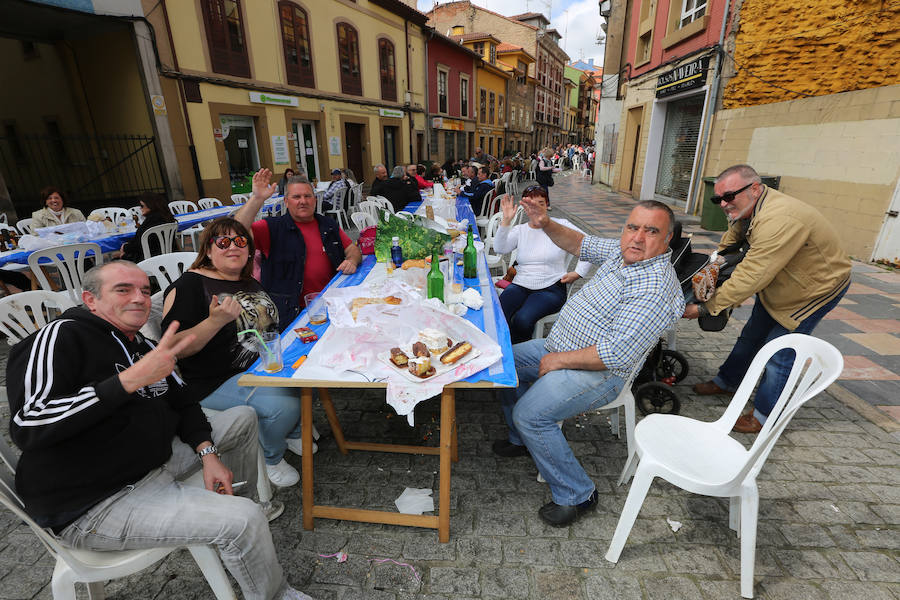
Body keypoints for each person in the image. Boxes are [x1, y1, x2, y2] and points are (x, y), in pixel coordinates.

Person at [5, 260, 315, 600]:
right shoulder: (60, 336)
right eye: (123, 289)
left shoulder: (143, 344)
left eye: (145, 290)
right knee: (243, 519)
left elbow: (184, 404)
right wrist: (130, 380)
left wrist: (208, 454)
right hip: (93, 502)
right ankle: (269, 584)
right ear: (90, 300)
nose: (139, 298)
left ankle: (235, 515)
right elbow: (29, 423)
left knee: (241, 417)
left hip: (151, 461)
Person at [494, 198, 684, 527]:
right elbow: (581, 242)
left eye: (651, 231)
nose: (637, 237)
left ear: (667, 240)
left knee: (532, 415)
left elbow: (615, 353)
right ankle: (521, 440)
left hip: (600, 373)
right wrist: (545, 222)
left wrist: (557, 361)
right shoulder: (623, 253)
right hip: (559, 347)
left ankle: (577, 494)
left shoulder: (653, 286)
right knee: (502, 367)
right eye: (632, 227)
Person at [684, 164, 851, 433]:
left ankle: (763, 417)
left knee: (779, 351)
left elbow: (752, 275)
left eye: (729, 196)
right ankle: (727, 382)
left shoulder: (779, 219)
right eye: (718, 199)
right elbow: (734, 238)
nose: (724, 204)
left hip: (815, 289)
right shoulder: (751, 206)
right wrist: (715, 264)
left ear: (754, 188)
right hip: (781, 282)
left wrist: (706, 308)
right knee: (751, 336)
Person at [161, 218, 308, 487]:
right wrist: (213, 321)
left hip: (260, 365)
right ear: (207, 249)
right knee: (284, 405)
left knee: (310, 372)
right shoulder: (190, 285)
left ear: (249, 250)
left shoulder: (247, 280)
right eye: (223, 241)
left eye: (241, 241)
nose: (233, 247)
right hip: (213, 380)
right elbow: (170, 348)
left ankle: (290, 430)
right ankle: (270, 456)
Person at [234, 169, 362, 330]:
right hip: (291, 314)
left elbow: (353, 249)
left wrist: (351, 260)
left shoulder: (327, 225)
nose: (303, 201)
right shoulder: (272, 228)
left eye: (307, 196)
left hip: (331, 305)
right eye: (296, 197)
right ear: (286, 202)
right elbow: (236, 231)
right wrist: (257, 198)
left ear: (315, 200)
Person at [494, 186, 592, 343]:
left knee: (522, 319)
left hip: (551, 287)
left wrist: (578, 272)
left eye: (540, 203)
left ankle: (517, 356)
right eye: (531, 204)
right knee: (498, 313)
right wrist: (506, 222)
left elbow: (590, 245)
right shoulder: (521, 230)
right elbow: (499, 248)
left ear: (547, 205)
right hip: (521, 283)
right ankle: (501, 347)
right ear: (525, 208)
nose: (536, 208)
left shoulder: (561, 225)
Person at [119, 192, 178, 262]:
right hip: (170, 255)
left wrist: (125, 247)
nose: (140, 209)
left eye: (142, 206)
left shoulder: (151, 221)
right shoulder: (167, 218)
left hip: (148, 259)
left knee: (114, 263)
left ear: (150, 205)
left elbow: (140, 244)